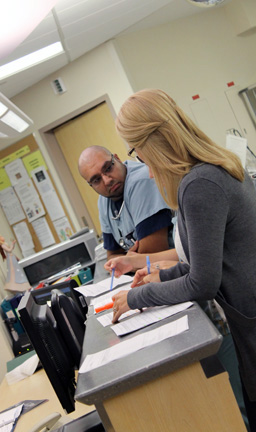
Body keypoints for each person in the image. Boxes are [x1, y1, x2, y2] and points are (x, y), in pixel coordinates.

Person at [108, 89, 256, 431]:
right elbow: (208, 263)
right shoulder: (211, 169)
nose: (140, 161)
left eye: (135, 150)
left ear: (150, 143)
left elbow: (204, 283)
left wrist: (135, 297)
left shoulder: (199, 184)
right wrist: (160, 277)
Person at [78, 145, 173, 259]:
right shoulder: (103, 201)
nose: (107, 181)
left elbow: (151, 254)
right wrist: (129, 260)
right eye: (97, 180)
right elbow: (111, 256)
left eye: (108, 168)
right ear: (91, 185)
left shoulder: (142, 180)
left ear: (117, 159)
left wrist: (127, 260)